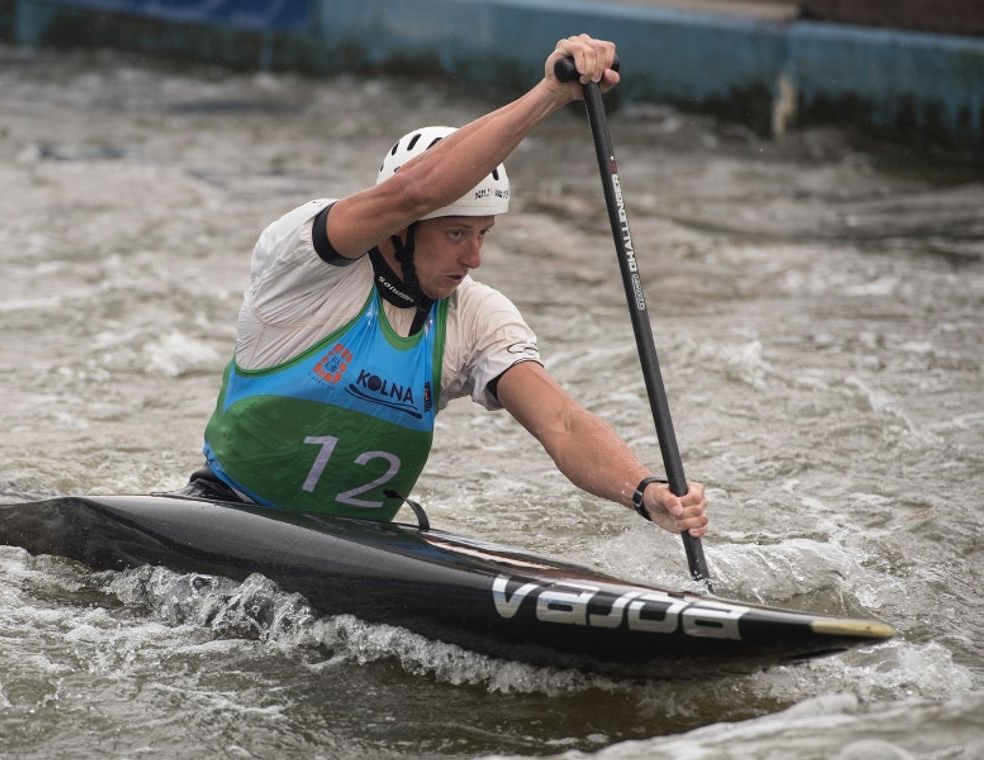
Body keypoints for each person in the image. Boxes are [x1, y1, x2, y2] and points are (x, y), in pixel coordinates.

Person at [188, 33, 708, 539]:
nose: (474, 256)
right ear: (400, 226)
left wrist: (644, 491)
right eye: (456, 233)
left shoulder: (476, 315)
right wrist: (552, 94)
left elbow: (563, 423)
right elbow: (416, 190)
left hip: (360, 544)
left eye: (483, 234)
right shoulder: (306, 263)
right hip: (230, 515)